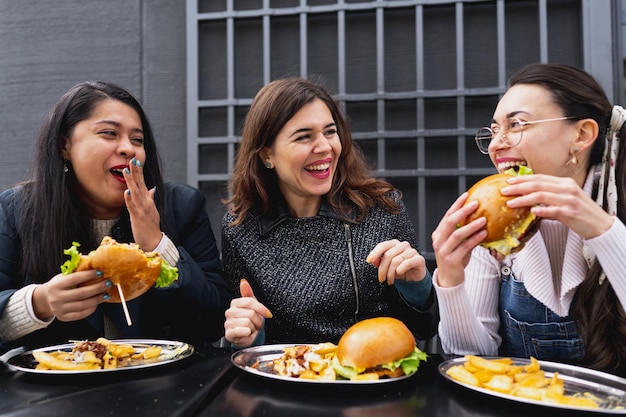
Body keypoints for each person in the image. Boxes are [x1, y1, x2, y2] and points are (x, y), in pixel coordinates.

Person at [0, 81, 232, 352]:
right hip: (58, 389)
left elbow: (214, 321)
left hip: (165, 385)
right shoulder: (16, 210)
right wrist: (38, 303)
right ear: (65, 145)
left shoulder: (181, 206)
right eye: (109, 133)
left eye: (137, 140)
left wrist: (157, 244)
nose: (128, 149)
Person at [431, 63, 626, 376]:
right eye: (494, 131)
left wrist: (602, 230)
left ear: (582, 133)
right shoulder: (496, 222)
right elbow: (471, 362)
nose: (497, 144)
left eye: (517, 125)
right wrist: (451, 278)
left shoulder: (619, 204)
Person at [222, 77, 438, 348]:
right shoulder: (240, 228)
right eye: (304, 136)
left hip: (371, 378)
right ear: (267, 155)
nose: (325, 147)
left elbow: (425, 328)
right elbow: (252, 337)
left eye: (330, 132)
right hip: (287, 379)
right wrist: (250, 335)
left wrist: (417, 285)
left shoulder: (382, 208)